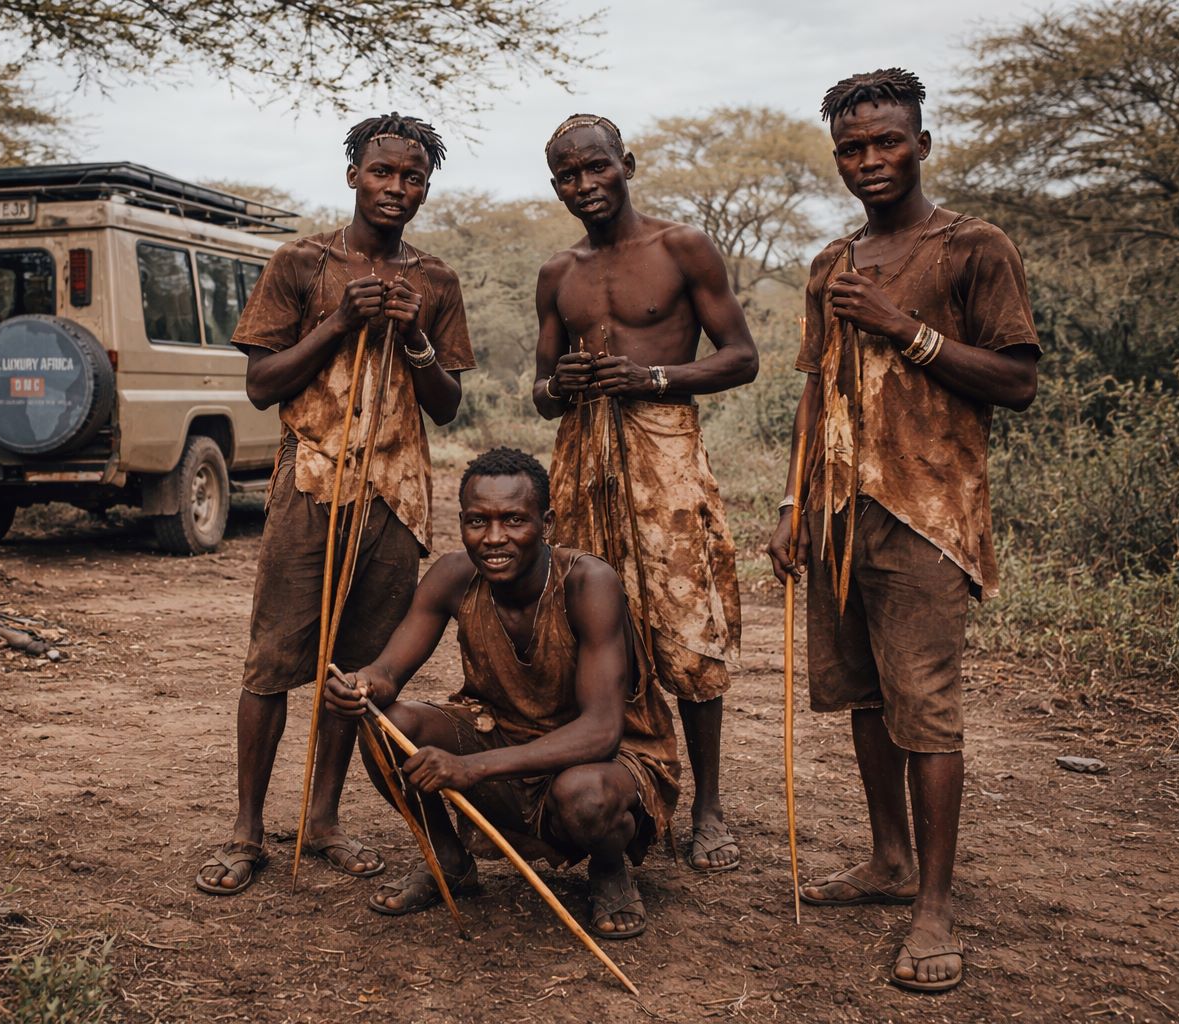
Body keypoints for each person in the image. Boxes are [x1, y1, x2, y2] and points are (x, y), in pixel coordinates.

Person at [767, 69, 1039, 993]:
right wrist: (792, 504)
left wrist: (906, 331)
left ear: (923, 143)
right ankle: (886, 861)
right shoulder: (830, 265)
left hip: (929, 515)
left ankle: (932, 908)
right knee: (867, 697)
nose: (870, 160)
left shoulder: (973, 248)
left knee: (925, 709)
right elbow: (813, 388)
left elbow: (1016, 380)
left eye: (887, 142)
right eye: (852, 147)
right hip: (840, 516)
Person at [195, 113, 474, 895]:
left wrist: (413, 337)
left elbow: (448, 406)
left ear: (425, 188)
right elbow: (261, 386)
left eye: (413, 177)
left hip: (395, 494)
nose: (397, 188)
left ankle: (322, 820)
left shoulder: (436, 280)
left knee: (356, 673)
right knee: (272, 662)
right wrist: (342, 321)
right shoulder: (303, 263)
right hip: (312, 480)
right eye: (383, 172)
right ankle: (247, 831)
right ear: (354, 174)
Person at [325, 447, 681, 939]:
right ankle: (449, 862)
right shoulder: (453, 576)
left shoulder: (589, 583)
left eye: (514, 520)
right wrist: (360, 684)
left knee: (584, 796)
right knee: (388, 724)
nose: (494, 538)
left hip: (605, 762)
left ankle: (608, 866)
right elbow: (388, 671)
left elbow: (601, 731)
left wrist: (472, 768)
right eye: (477, 521)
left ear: (547, 521)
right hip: (504, 738)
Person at [532, 113, 758, 873]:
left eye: (596, 168)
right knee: (597, 632)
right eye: (567, 175)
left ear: (625, 163)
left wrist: (654, 377)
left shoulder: (680, 247)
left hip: (667, 461)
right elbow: (540, 390)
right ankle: (622, 794)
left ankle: (709, 807)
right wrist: (557, 383)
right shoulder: (558, 273)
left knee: (687, 633)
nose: (584, 185)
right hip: (581, 460)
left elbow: (741, 358)